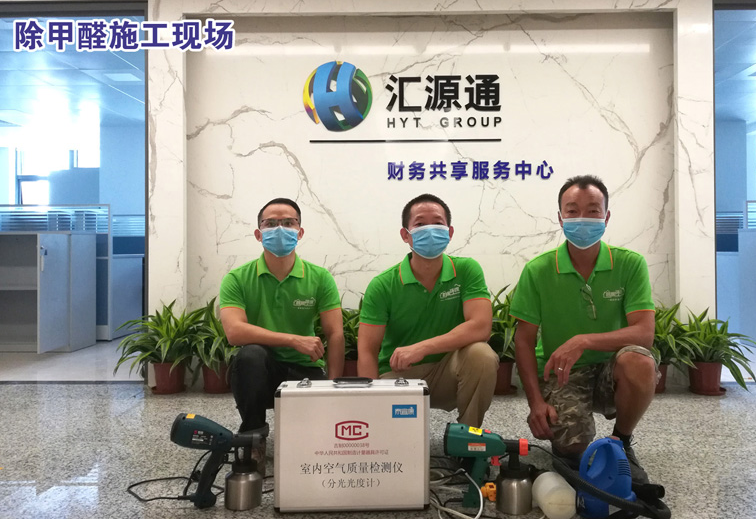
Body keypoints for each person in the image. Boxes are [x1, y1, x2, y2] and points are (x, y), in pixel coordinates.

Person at [510, 175, 657, 484]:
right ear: (560, 218)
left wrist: (584, 340)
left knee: (639, 361)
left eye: (592, 211)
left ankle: (621, 442)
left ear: (606, 217)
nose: (582, 219)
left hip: (611, 369)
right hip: (563, 373)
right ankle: (573, 443)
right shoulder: (538, 270)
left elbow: (644, 333)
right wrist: (536, 403)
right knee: (572, 448)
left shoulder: (629, 264)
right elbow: (523, 342)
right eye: (572, 211)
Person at [220, 198, 344, 471]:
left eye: (288, 223)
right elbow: (234, 332)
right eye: (271, 223)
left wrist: (333, 387)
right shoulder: (237, 278)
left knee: (310, 449)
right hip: (260, 372)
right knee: (250, 356)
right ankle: (253, 438)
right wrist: (292, 339)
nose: (280, 229)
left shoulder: (320, 277)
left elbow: (335, 334)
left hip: (305, 369)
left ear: (300, 232)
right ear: (258, 233)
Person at [357, 193, 498, 428]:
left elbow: (481, 327)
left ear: (449, 232)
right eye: (420, 224)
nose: (430, 230)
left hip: (450, 372)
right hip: (399, 375)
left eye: (438, 223)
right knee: (397, 441)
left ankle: (467, 436)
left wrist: (422, 348)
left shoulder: (467, 270)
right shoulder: (382, 285)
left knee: (481, 355)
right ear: (405, 235)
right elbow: (367, 350)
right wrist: (373, 408)